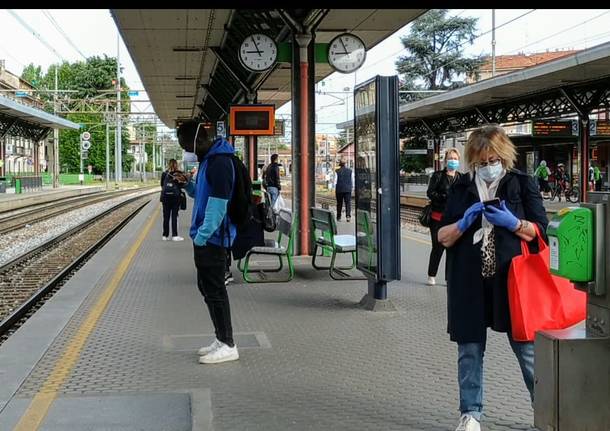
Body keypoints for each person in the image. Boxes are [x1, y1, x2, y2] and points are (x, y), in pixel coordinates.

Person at [437, 125, 548, 431]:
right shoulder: (460, 187)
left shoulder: (522, 184)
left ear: (504, 156)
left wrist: (514, 223)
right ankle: (470, 414)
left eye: (493, 159)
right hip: (469, 281)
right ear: (473, 160)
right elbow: (443, 237)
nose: (488, 166)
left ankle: (546, 411)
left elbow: (541, 232)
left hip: (512, 280)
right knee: (469, 349)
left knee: (527, 350)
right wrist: (463, 223)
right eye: (482, 161)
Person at [179, 120, 239, 364]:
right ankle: (220, 338)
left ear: (198, 139)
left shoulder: (220, 163)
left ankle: (228, 344)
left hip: (214, 239)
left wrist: (202, 237)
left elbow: (218, 206)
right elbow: (204, 196)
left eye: (185, 143)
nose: (185, 149)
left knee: (215, 291)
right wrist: (189, 186)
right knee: (207, 289)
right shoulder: (208, 162)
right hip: (206, 237)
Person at [425, 148, 462, 286]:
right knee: (437, 246)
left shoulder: (461, 178)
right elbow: (430, 193)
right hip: (437, 217)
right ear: (446, 160)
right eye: (451, 158)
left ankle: (448, 277)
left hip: (453, 219)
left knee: (451, 248)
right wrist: (443, 197)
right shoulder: (438, 176)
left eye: (456, 159)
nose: (453, 161)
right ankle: (431, 275)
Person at [160, 159, 186, 241]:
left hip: (165, 198)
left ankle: (165, 235)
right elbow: (182, 184)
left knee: (166, 217)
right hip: (175, 198)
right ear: (176, 165)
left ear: (168, 164)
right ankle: (175, 236)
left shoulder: (164, 173)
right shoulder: (179, 174)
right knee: (174, 216)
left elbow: (162, 185)